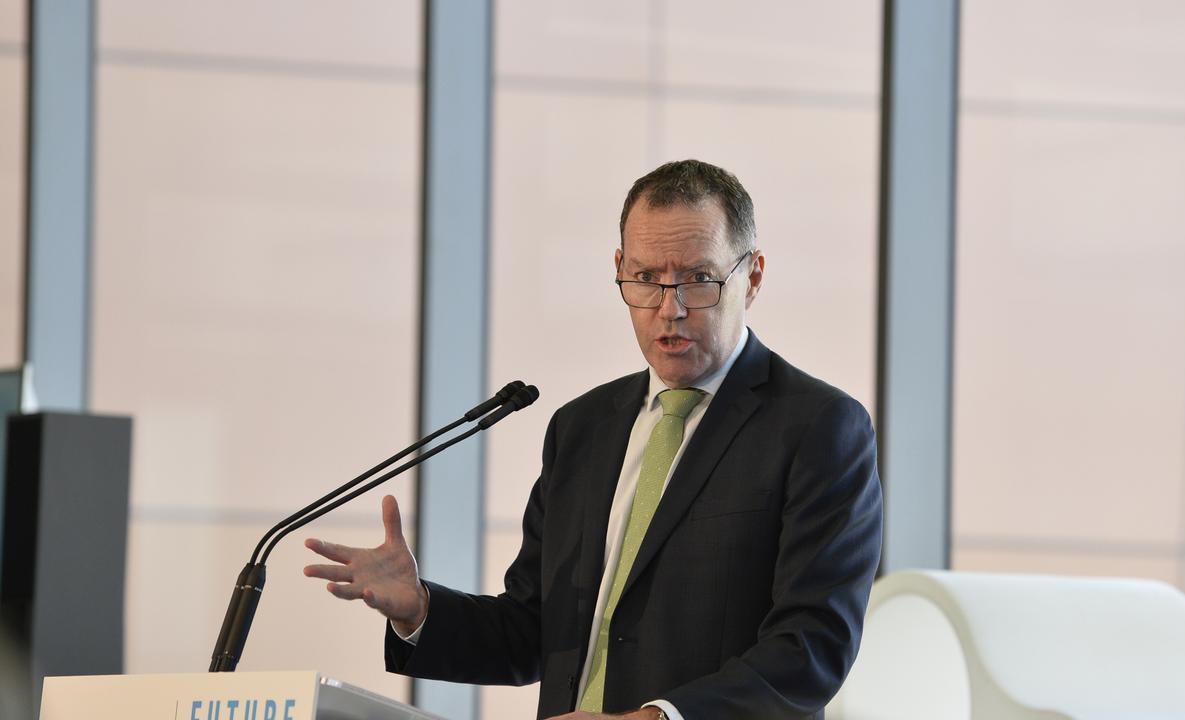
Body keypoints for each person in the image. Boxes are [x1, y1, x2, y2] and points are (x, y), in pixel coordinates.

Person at [304, 159, 883, 719]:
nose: (669, 308)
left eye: (698, 279)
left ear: (751, 275)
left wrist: (658, 719)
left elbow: (813, 646)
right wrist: (421, 610)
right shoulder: (582, 429)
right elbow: (532, 631)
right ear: (620, 268)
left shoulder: (819, 427)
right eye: (646, 278)